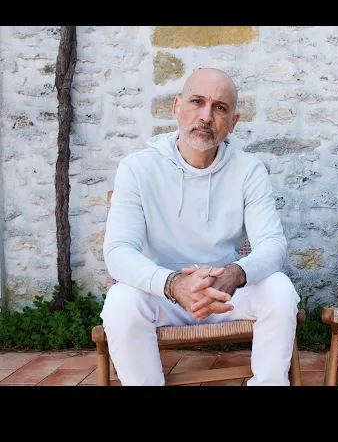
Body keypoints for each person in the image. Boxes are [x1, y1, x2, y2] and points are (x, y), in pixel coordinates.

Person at [100, 68, 301, 386]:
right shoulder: (137, 169)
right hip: (163, 295)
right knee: (121, 302)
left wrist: (234, 274)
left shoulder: (249, 170)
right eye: (197, 102)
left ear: (233, 122)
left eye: (220, 107)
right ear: (177, 107)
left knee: (279, 290)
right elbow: (118, 251)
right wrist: (173, 284)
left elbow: (273, 244)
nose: (206, 116)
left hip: (225, 293)